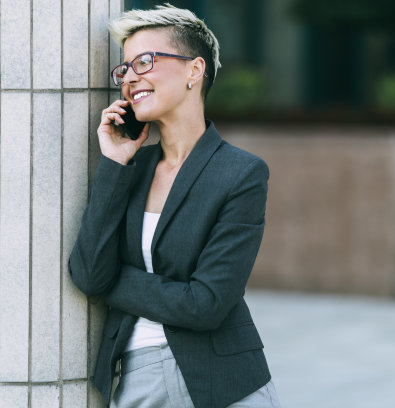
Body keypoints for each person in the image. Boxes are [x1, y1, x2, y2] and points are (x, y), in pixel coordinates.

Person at [69, 4, 281, 407]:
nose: (131, 78)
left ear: (194, 70)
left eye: (145, 61)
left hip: (223, 383)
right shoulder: (131, 168)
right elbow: (87, 273)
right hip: (135, 377)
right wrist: (114, 163)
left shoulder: (240, 174)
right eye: (125, 69)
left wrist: (113, 279)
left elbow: (206, 305)